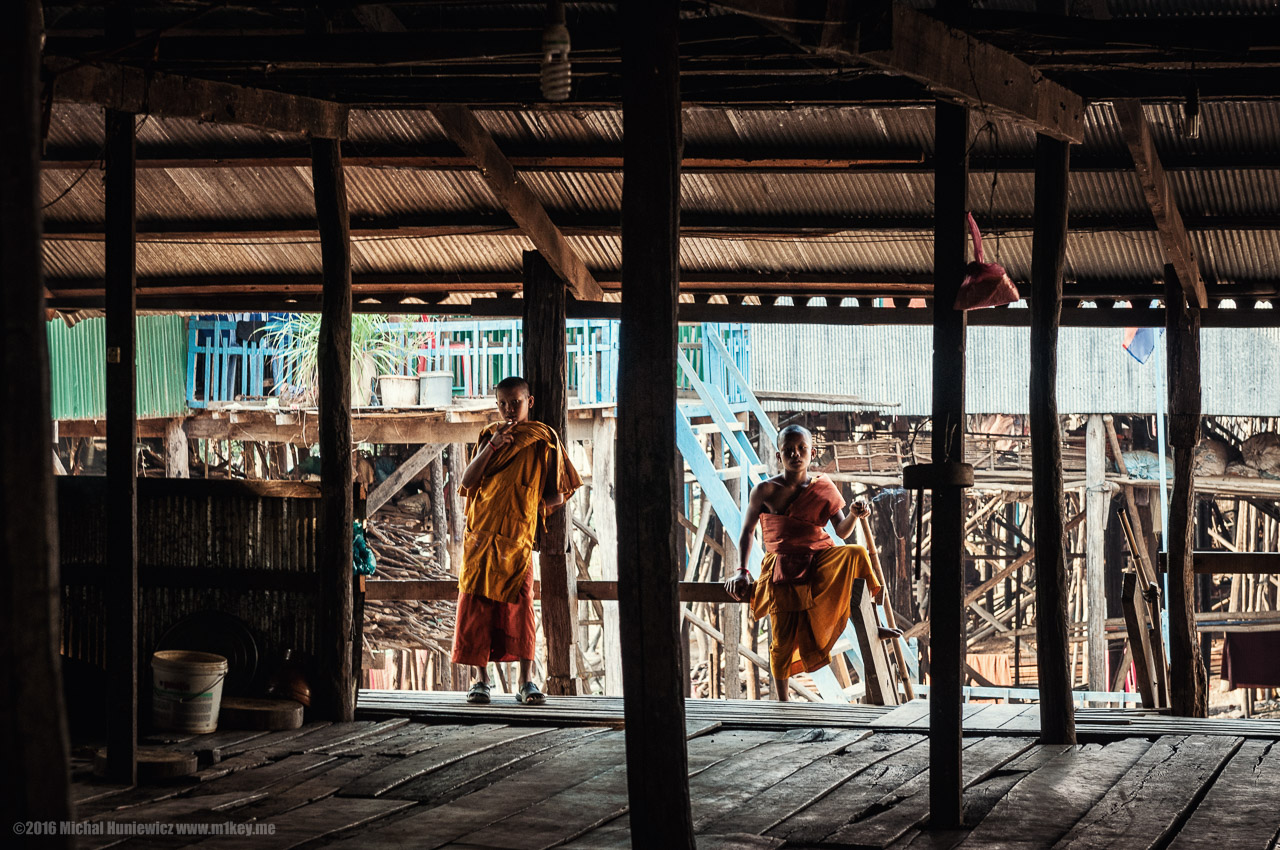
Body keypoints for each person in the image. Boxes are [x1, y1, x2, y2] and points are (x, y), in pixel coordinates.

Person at [724, 424, 899, 701]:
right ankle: (782, 702)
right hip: (781, 566)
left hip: (818, 558)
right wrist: (742, 572)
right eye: (788, 450)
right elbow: (747, 531)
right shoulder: (764, 491)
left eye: (801, 449)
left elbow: (842, 532)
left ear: (812, 452)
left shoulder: (823, 486)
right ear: (779, 455)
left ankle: (875, 622)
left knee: (857, 553)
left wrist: (854, 514)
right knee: (781, 641)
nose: (795, 454)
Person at [453, 376, 581, 705]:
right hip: (481, 536)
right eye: (504, 404)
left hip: (517, 539)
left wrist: (531, 506)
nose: (510, 410)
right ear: (497, 406)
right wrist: (493, 446)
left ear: (530, 402)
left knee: (522, 606)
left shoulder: (542, 439)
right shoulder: (488, 436)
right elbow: (467, 482)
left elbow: (562, 490)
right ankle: (480, 681)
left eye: (516, 403)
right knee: (476, 607)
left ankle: (526, 681)